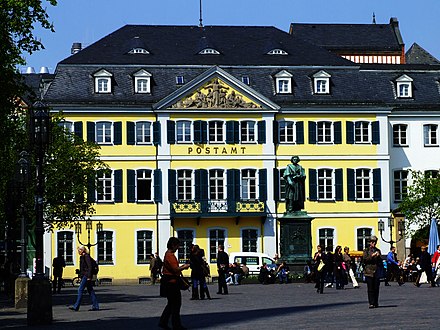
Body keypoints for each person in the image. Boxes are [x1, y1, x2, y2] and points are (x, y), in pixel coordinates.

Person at [159, 237, 190, 330]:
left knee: (171, 304)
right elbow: (175, 269)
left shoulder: (167, 254)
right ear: (173, 245)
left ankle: (163, 322)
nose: (178, 247)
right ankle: (176, 325)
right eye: (177, 245)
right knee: (176, 304)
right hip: (172, 283)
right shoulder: (170, 255)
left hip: (169, 282)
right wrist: (185, 266)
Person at [69, 246, 99, 311]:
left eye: (79, 250)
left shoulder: (86, 256)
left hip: (86, 276)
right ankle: (96, 306)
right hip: (85, 275)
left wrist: (89, 277)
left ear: (82, 250)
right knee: (90, 291)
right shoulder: (82, 257)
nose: (78, 252)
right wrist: (80, 276)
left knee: (80, 290)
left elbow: (89, 267)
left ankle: (76, 306)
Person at [363, 235, 382, 309]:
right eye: (372, 242)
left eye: (375, 242)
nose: (374, 243)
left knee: (376, 288)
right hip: (369, 271)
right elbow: (365, 260)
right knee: (370, 288)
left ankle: (376, 302)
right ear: (369, 243)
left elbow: (380, 261)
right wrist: (372, 256)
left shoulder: (378, 250)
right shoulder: (366, 250)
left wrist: (378, 256)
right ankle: (371, 303)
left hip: (376, 272)